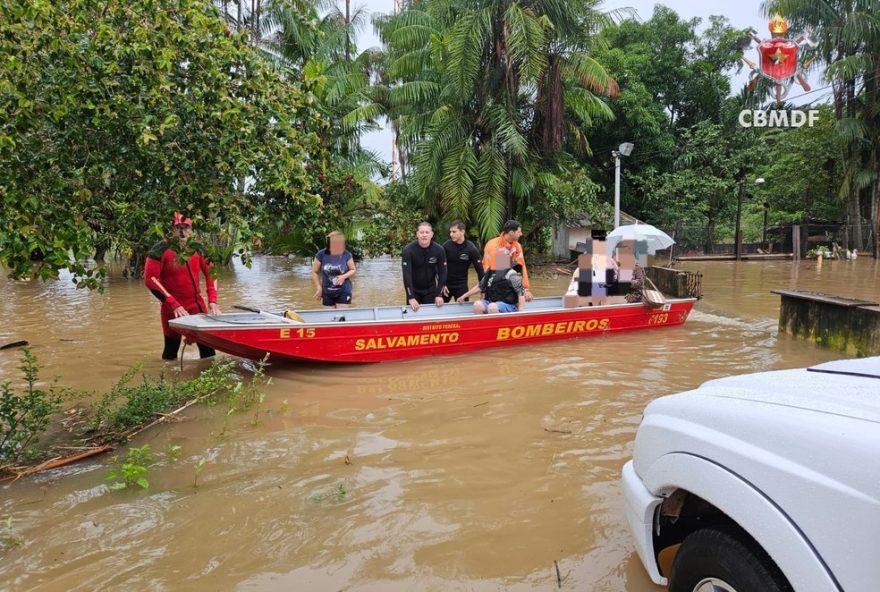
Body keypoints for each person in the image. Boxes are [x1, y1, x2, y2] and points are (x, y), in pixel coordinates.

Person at [144, 213, 220, 361]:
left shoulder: (199, 248)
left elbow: (212, 273)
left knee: (208, 350)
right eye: (178, 227)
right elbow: (150, 279)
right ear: (172, 229)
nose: (182, 231)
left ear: (191, 229)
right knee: (171, 351)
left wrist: (213, 301)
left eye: (186, 228)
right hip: (172, 308)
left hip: (196, 306)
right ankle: (168, 381)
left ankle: (208, 382)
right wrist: (173, 304)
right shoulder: (160, 249)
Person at [482, 220, 533, 301]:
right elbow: (496, 272)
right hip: (494, 285)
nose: (521, 234)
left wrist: (526, 289)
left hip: (510, 283)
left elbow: (521, 269)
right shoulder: (493, 246)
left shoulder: (517, 246)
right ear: (511, 232)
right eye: (519, 232)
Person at [401, 222, 447, 312]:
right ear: (417, 234)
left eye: (427, 232)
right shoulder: (408, 250)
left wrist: (439, 294)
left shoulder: (439, 250)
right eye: (422, 232)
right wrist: (411, 297)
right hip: (414, 290)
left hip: (430, 290)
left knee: (430, 319)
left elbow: (443, 273)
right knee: (412, 318)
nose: (424, 235)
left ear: (431, 234)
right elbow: (406, 275)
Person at [457, 254, 526, 314]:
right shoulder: (491, 271)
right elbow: (480, 287)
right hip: (492, 302)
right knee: (477, 305)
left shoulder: (512, 274)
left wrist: (520, 314)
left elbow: (521, 293)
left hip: (509, 305)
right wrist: (464, 296)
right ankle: (483, 327)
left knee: (492, 307)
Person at [441, 220, 484, 303]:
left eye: (454, 232)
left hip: (461, 286)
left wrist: (483, 290)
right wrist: (442, 284)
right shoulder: (446, 246)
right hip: (446, 285)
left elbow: (480, 270)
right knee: (438, 310)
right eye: (450, 232)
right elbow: (439, 266)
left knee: (464, 311)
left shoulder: (471, 249)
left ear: (462, 231)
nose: (451, 234)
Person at [312, 231, 356, 308]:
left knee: (342, 317)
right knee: (328, 318)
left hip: (343, 290)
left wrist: (343, 277)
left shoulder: (346, 254)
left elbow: (353, 269)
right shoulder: (321, 254)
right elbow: (314, 272)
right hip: (327, 291)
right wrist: (319, 288)